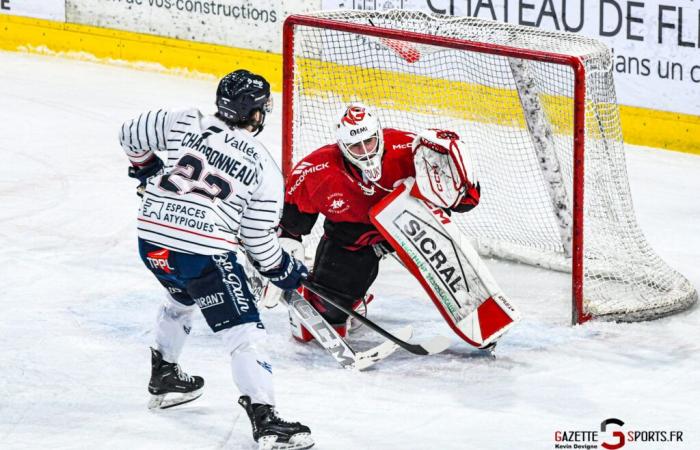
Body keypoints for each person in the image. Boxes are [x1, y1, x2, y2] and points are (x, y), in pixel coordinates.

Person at [119, 69, 314, 450]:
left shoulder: (183, 120)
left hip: (152, 241)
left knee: (181, 296)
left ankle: (165, 376)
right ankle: (267, 421)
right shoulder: (263, 166)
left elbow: (129, 133)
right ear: (256, 113)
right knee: (244, 333)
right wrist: (285, 271)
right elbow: (259, 244)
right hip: (202, 252)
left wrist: (146, 169)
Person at [270, 103, 481, 342]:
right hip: (355, 237)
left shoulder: (410, 149)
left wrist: (461, 187)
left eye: (369, 141)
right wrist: (279, 261)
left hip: (416, 227)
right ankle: (347, 299)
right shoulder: (316, 171)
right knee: (325, 318)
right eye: (355, 146)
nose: (365, 151)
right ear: (341, 146)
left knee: (459, 281)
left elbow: (462, 200)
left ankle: (484, 311)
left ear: (379, 134)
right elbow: (291, 227)